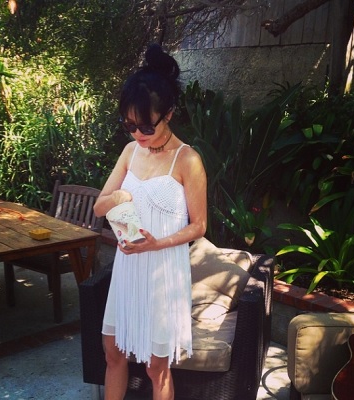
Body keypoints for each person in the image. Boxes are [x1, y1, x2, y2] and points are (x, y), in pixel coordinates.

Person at [93, 43, 207, 400]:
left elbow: (199, 226)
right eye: (129, 125)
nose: (137, 134)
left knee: (157, 369)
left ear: (168, 114)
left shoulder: (188, 160)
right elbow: (99, 207)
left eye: (145, 125)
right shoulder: (130, 151)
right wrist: (118, 199)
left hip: (163, 272)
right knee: (113, 353)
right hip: (128, 268)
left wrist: (157, 243)